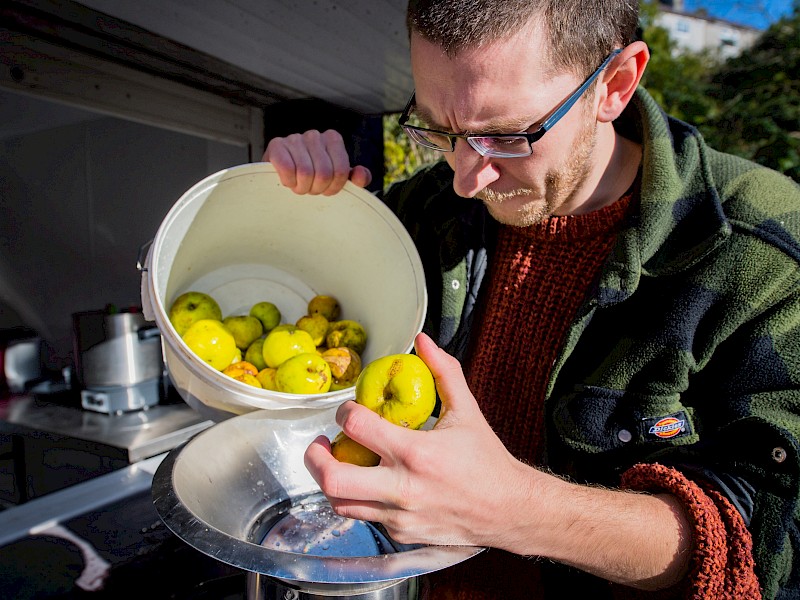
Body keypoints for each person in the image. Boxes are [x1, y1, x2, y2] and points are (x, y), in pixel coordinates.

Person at [263, 1, 800, 598]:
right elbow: (302, 318)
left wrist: (514, 508)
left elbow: (772, 538)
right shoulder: (426, 208)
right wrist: (306, 203)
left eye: (505, 136)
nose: (468, 178)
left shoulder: (761, 253)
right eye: (438, 130)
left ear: (615, 85)